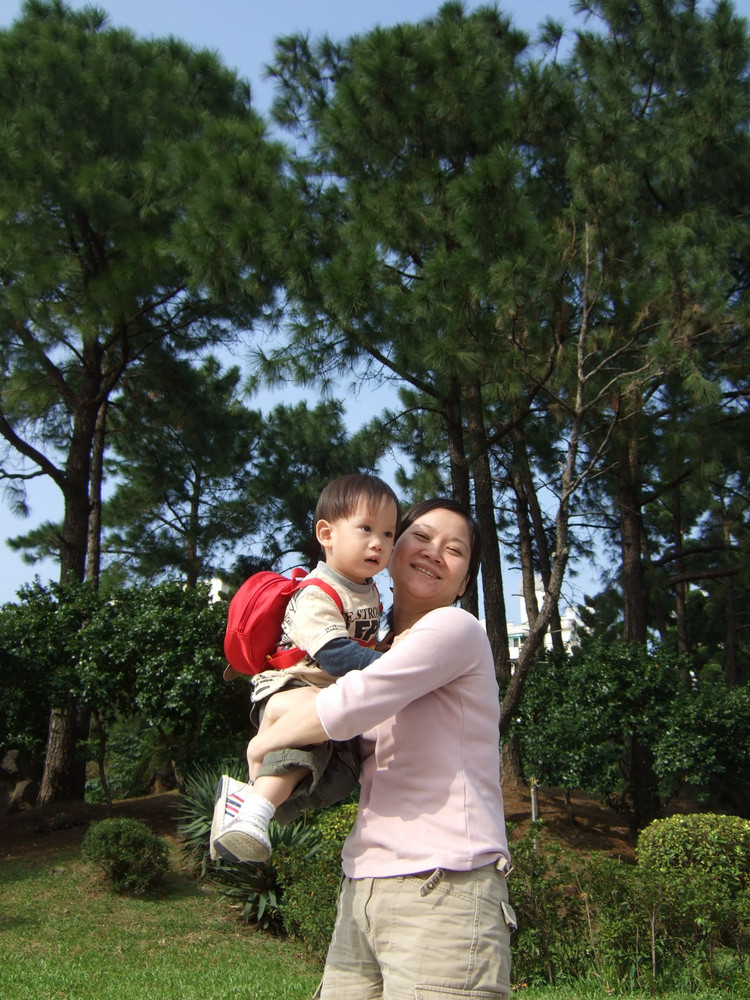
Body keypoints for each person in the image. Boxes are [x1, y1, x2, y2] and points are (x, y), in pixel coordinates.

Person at [247, 499, 515, 999]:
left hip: (445, 883)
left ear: (464, 583)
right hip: (364, 882)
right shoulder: (375, 648)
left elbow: (352, 702)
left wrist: (265, 740)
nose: (434, 552)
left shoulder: (454, 629)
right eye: (422, 537)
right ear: (391, 549)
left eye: (455, 550)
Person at [211, 473, 401, 865]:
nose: (378, 543)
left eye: (388, 533)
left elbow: (360, 645)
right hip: (289, 687)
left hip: (326, 692)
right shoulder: (317, 591)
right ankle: (253, 815)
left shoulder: (366, 589)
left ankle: (249, 796)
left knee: (341, 772)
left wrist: (384, 648)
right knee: (304, 747)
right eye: (366, 529)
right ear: (327, 534)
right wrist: (395, 666)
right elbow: (336, 655)